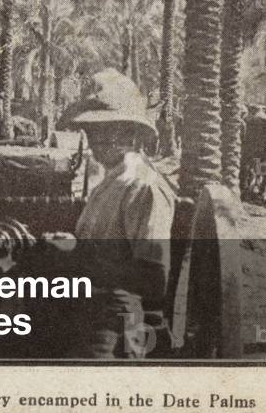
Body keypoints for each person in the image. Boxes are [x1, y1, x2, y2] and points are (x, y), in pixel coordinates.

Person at [55, 68, 176, 359]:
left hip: (117, 318)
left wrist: (77, 253)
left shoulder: (141, 186)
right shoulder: (110, 182)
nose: (99, 141)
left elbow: (152, 279)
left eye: (110, 131)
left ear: (133, 133)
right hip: (88, 306)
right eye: (93, 132)